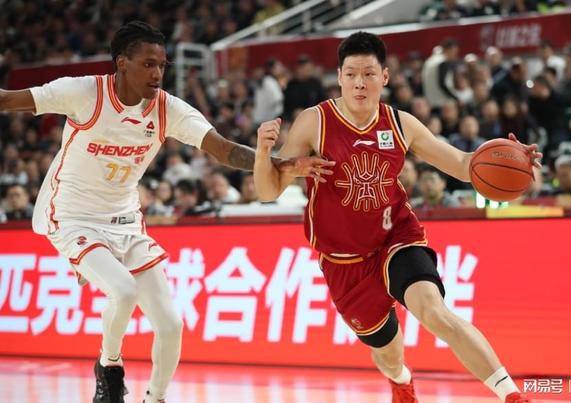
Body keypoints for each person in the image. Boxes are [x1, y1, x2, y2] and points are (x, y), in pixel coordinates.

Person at [0, 21, 330, 403]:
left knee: (171, 326)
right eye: (148, 64)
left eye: (162, 65)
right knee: (122, 290)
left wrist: (280, 162)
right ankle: (109, 368)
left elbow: (223, 149)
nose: (157, 74)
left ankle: (154, 398)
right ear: (122, 64)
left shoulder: (167, 109)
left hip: (125, 219)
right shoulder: (84, 93)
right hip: (73, 215)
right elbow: (7, 100)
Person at [253, 31, 541, 403]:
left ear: (385, 77)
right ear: (339, 77)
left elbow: (462, 163)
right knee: (389, 355)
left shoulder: (400, 123)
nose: (359, 83)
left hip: (396, 239)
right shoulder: (315, 122)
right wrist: (264, 154)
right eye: (351, 74)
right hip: (344, 261)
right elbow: (268, 190)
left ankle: (511, 395)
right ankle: (402, 381)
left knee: (434, 311)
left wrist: (509, 157)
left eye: (368, 74)